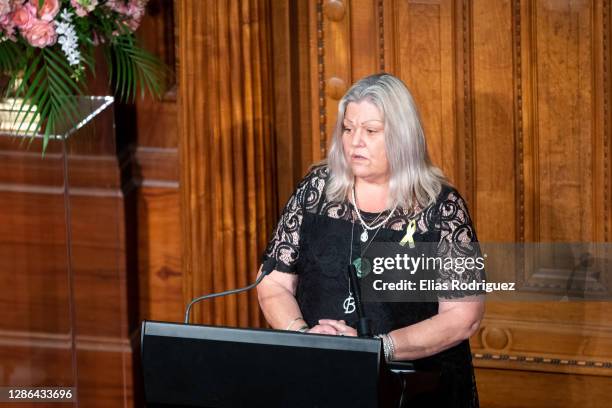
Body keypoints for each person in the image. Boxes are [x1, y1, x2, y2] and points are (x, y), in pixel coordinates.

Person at [256, 73, 485, 407]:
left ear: (402, 136)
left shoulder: (442, 209)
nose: (355, 142)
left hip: (415, 389)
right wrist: (304, 335)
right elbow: (272, 284)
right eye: (348, 129)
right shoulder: (316, 192)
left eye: (371, 131)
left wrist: (376, 348)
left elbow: (465, 317)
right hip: (322, 381)